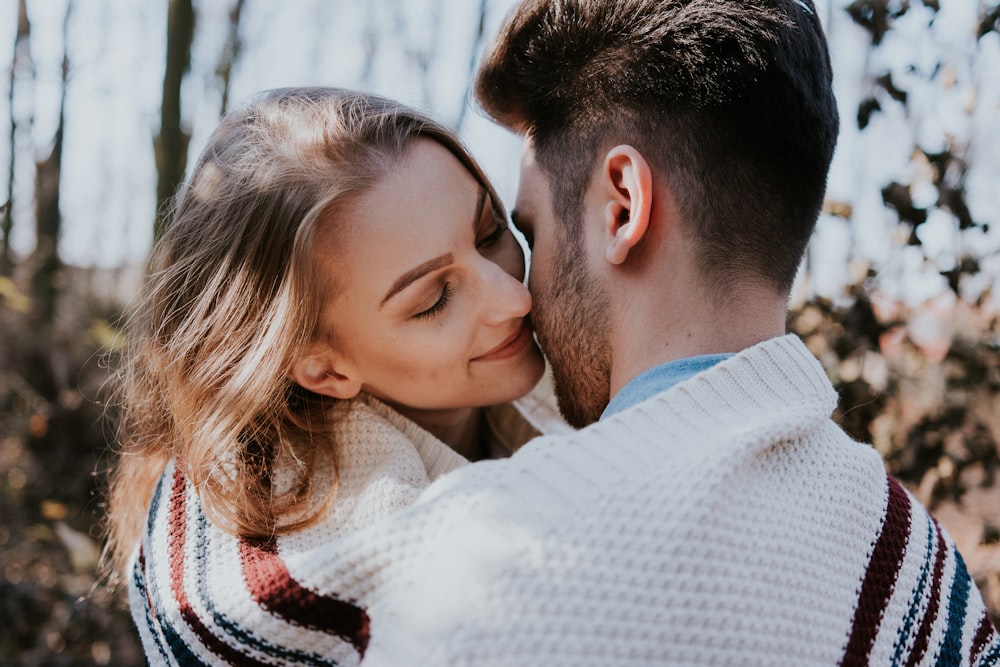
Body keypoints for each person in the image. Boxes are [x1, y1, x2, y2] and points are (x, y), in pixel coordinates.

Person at [288, 0, 1000, 664]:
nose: (517, 296)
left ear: (622, 205)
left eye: (524, 231)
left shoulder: (485, 571)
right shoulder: (920, 564)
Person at [102, 87, 568, 665]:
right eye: (433, 299)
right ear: (322, 367)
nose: (514, 299)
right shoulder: (282, 579)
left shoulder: (593, 367)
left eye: (490, 233)